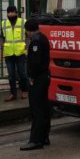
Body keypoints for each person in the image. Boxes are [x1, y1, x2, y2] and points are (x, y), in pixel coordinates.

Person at [20, 19, 51, 151]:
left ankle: (36, 140)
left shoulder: (36, 41)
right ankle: (44, 136)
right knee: (44, 108)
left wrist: (31, 77)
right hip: (44, 77)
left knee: (36, 109)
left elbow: (35, 62)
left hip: (38, 79)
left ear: (28, 30)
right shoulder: (43, 37)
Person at [2, 5, 29, 101]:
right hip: (9, 53)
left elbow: (28, 36)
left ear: (16, 12)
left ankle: (25, 91)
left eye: (12, 12)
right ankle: (13, 93)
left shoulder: (23, 22)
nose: (10, 14)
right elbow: (2, 37)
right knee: (11, 75)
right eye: (8, 12)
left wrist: (27, 48)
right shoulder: (4, 23)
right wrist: (3, 47)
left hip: (20, 52)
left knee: (22, 73)